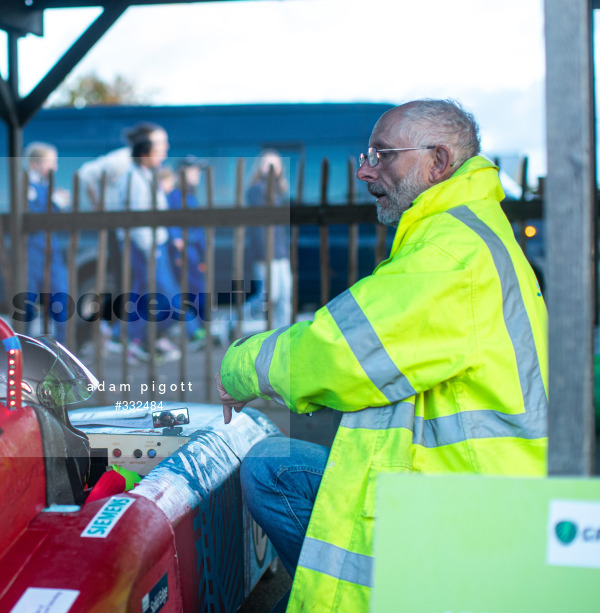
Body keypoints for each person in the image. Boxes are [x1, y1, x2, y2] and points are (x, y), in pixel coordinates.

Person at [217, 99, 547, 613]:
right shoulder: (462, 233)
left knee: (271, 473)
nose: (365, 169)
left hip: (462, 509)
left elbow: (337, 351)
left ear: (437, 161)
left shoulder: (449, 254)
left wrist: (241, 367)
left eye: (383, 155)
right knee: (270, 469)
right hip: (466, 483)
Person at [116, 123, 191, 363]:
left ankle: (140, 341)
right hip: (147, 248)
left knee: (146, 297)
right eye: (161, 144)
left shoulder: (146, 175)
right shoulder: (134, 179)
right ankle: (143, 340)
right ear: (146, 149)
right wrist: (151, 251)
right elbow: (138, 220)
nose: (166, 149)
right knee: (168, 298)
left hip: (153, 247)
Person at [24, 142, 70, 342]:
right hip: (32, 253)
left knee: (60, 300)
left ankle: (63, 349)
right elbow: (31, 217)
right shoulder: (26, 186)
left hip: (52, 253)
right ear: (35, 165)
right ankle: (21, 349)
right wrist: (56, 203)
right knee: (26, 304)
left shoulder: (45, 187)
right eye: (51, 162)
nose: (55, 168)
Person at [244, 150, 292, 328]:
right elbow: (258, 228)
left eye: (275, 164)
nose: (272, 168)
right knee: (268, 295)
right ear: (260, 167)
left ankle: (284, 333)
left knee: (284, 295)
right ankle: (234, 321)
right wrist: (265, 253)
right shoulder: (257, 190)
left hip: (281, 252)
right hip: (265, 253)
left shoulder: (278, 189)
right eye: (267, 164)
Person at [165, 157, 208, 343]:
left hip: (195, 253)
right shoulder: (176, 196)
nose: (197, 174)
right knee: (186, 293)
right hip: (185, 253)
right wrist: (177, 245)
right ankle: (195, 332)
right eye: (194, 170)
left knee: (196, 292)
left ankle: (198, 330)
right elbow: (171, 223)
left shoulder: (191, 195)